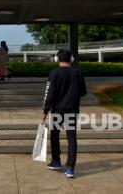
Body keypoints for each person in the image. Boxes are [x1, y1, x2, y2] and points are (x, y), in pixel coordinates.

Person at [42, 49, 87, 178]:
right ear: (71, 59)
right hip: (72, 110)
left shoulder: (54, 73)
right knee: (71, 138)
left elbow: (49, 94)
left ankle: (56, 161)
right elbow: (83, 92)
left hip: (57, 110)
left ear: (57, 59)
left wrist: (45, 110)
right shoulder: (77, 72)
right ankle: (70, 168)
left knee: (54, 135)